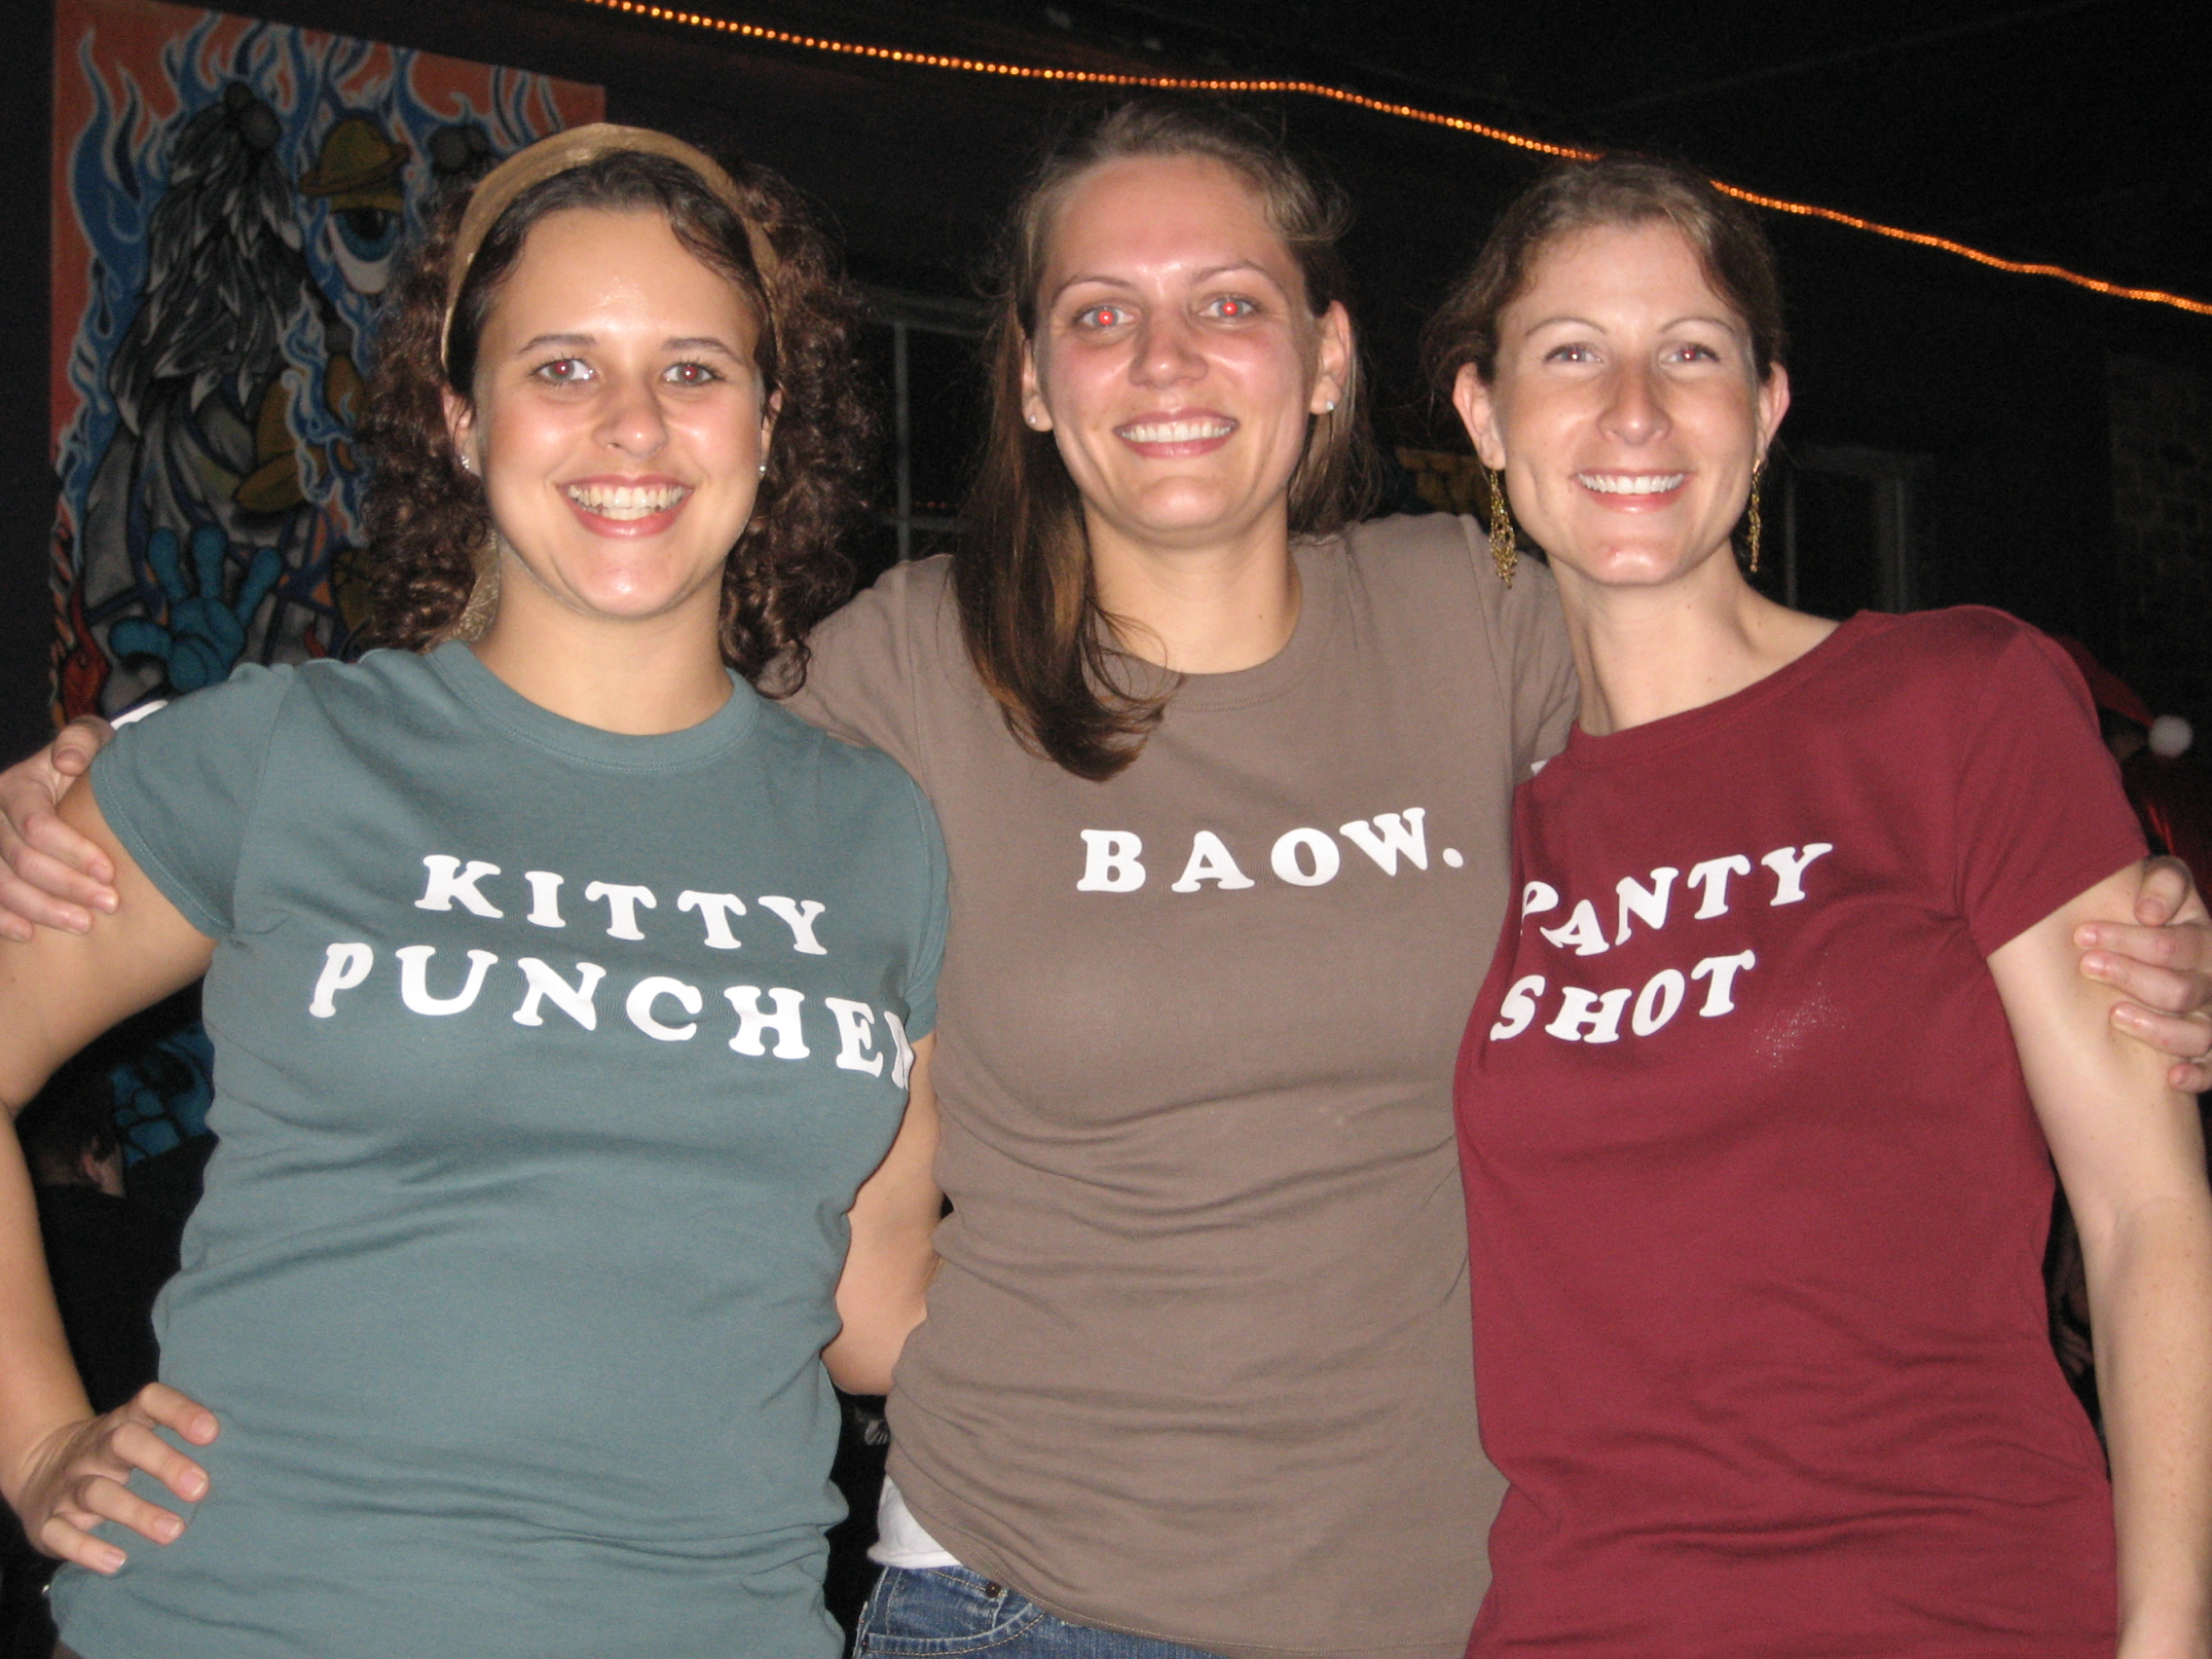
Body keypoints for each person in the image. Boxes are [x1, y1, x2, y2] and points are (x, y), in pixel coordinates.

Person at [5, 103, 2211, 1659]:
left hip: (1481, 1601)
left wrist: (2103, 883)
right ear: (1035, 388)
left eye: (1231, 305)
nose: (1166, 364)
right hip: (1028, 1599)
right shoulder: (883, 686)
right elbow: (597, 784)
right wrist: (124, 776)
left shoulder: (1483, 621)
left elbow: (1775, 737)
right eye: (1099, 316)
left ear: (1331, 366)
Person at [0, 125, 947, 1659]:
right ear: (459, 418)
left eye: (695, 370)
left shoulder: (877, 829)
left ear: (770, 423)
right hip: (258, 1622)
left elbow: (878, 1302)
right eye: (562, 368)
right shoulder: (282, 755)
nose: (633, 426)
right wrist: (39, 1439)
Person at [1438, 157, 2212, 1656]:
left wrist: (2169, 1627)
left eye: (1692, 353)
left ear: (1768, 407)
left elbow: (2146, 1214)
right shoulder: (1488, 818)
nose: (1636, 411)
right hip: (1578, 1617)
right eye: (1572, 354)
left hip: (1954, 1605)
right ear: (1483, 415)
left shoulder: (1958, 703)